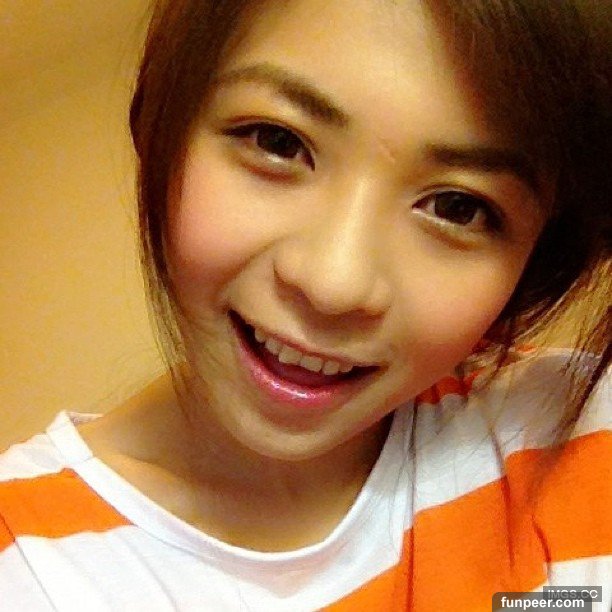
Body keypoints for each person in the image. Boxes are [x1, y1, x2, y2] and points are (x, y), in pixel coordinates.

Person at [0, 0, 609, 609]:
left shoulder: (572, 434)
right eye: (279, 142)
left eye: (458, 208)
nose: (334, 284)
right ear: (159, 126)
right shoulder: (23, 565)